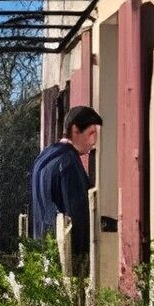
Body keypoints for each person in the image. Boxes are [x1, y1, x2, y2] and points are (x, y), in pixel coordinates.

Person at [29, 104, 102, 270]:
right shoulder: (68, 161)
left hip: (40, 252)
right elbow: (77, 215)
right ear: (75, 130)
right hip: (62, 259)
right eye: (91, 133)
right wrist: (82, 261)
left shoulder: (43, 157)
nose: (94, 141)